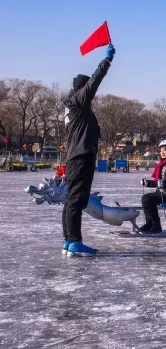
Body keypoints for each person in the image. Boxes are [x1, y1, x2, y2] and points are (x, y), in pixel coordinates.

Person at [62, 44, 115, 257]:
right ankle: (74, 242)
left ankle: (68, 240)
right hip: (81, 158)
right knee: (76, 201)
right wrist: (107, 61)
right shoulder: (78, 102)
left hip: (76, 158)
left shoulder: (73, 107)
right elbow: (94, 82)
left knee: (72, 201)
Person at [139, 140, 166, 233]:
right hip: (163, 192)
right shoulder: (163, 164)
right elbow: (159, 183)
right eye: (161, 150)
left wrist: (164, 183)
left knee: (150, 199)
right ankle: (149, 222)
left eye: (165, 150)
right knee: (144, 197)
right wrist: (148, 183)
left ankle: (156, 225)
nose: (162, 152)